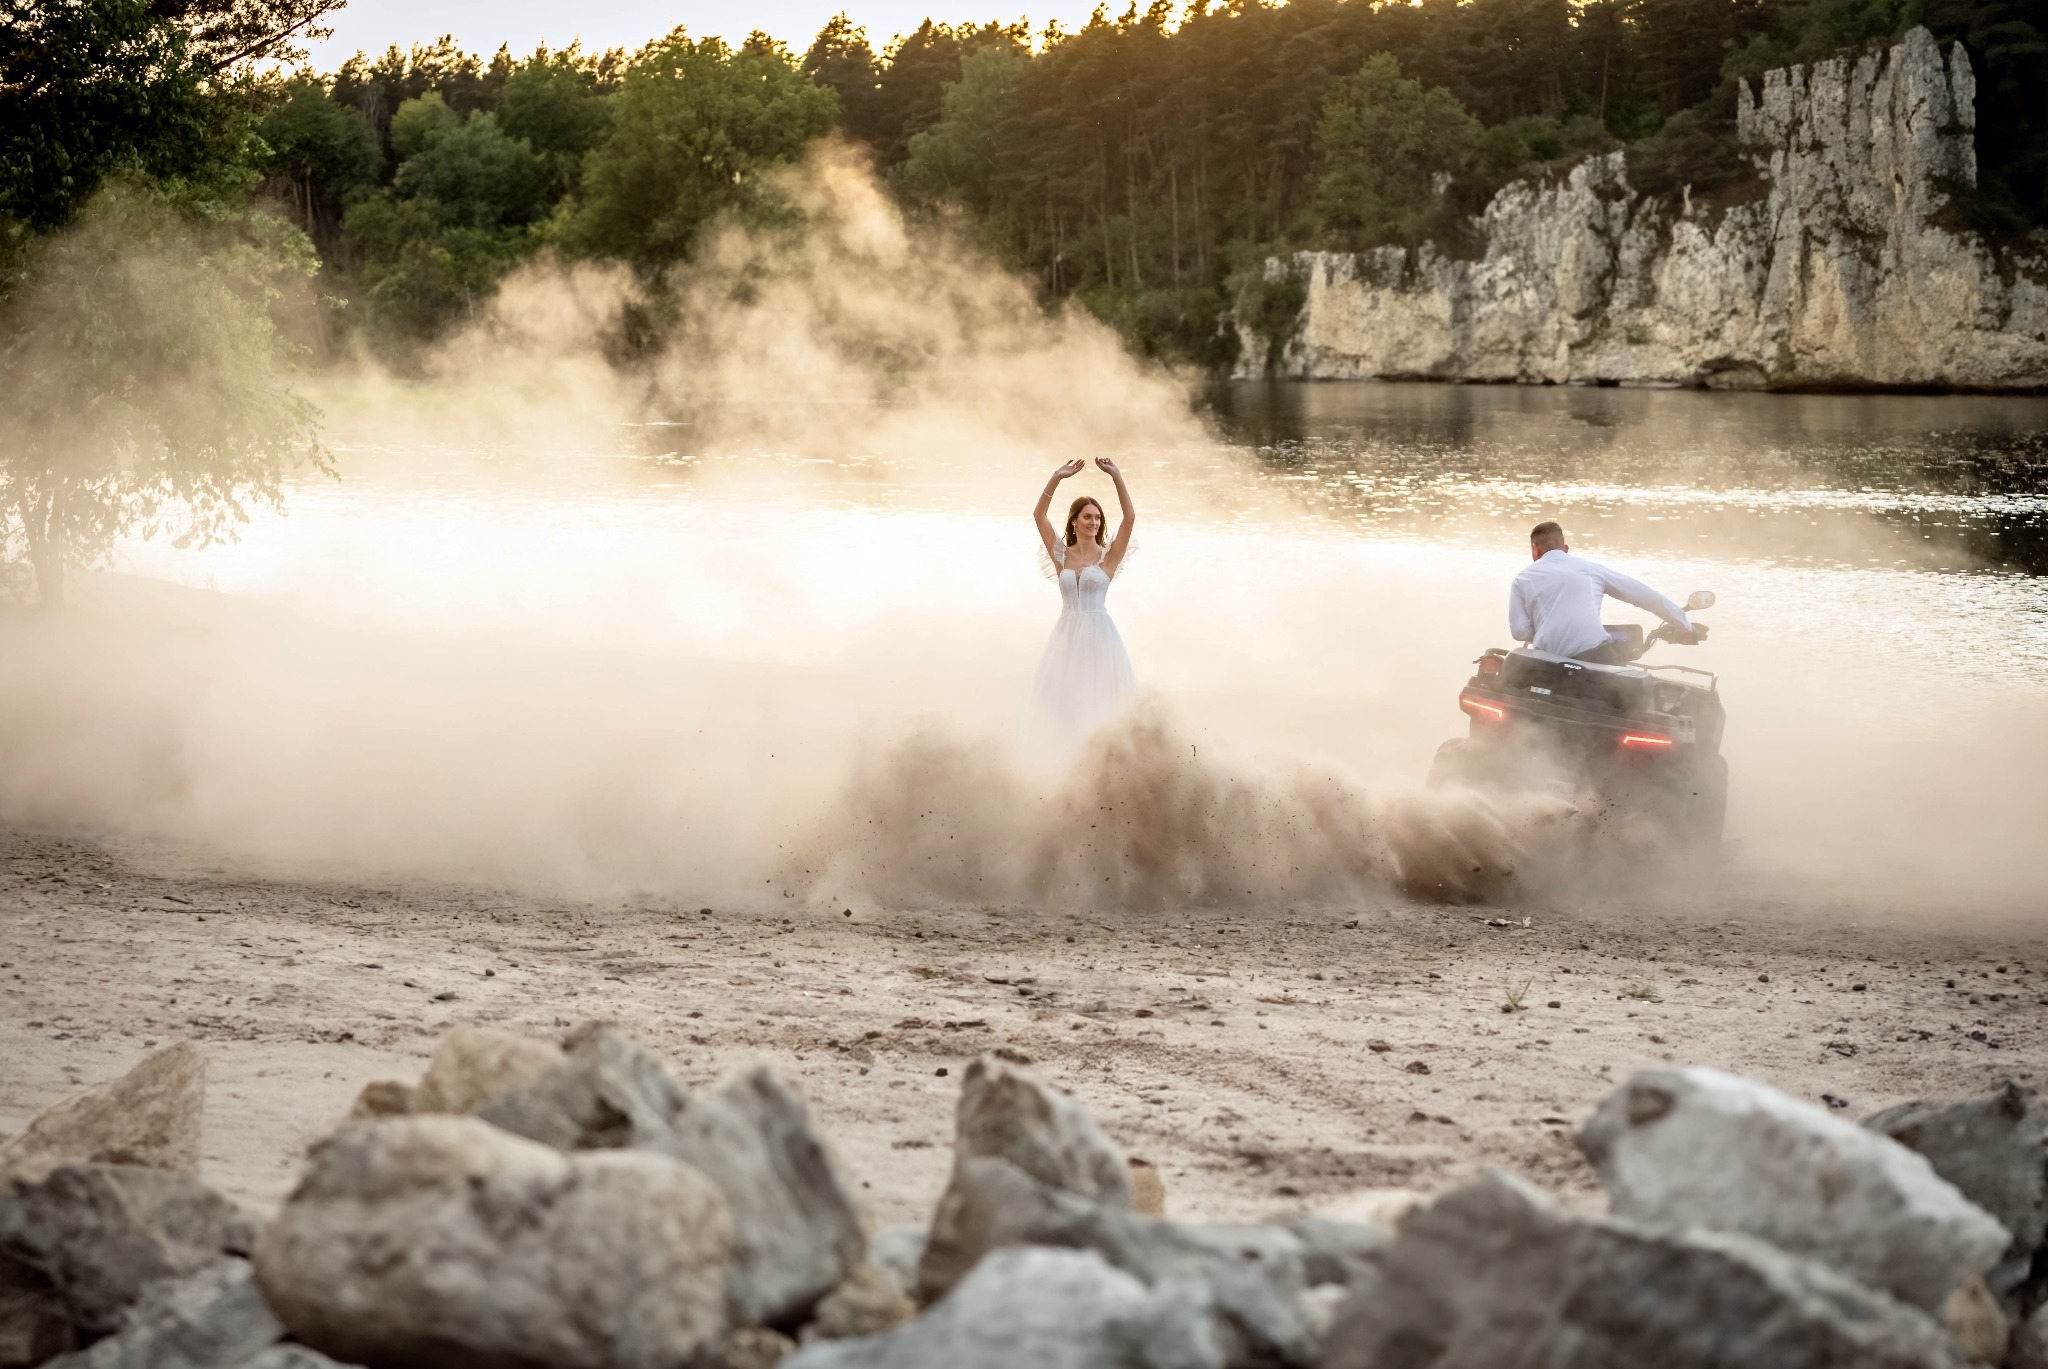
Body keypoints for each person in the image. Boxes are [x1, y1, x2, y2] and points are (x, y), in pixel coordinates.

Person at [1025, 457, 1137, 758]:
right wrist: (1056, 477)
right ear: (1074, 520)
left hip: (1099, 635)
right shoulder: (1062, 555)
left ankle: (1104, 758)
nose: (1094, 522)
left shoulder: (1108, 557)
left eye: (1098, 518)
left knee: (1096, 696)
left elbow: (1129, 518)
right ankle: (1063, 758)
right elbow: (1039, 516)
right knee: (1063, 699)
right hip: (1066, 634)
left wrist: (1116, 475)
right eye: (1087, 517)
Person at [1509, 520, 1695, 665]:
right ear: (1566, 549)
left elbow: (1519, 632)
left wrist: (1548, 629)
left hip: (1546, 661)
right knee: (1629, 696)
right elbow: (1643, 595)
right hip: (1594, 656)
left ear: (1535, 549)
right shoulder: (1591, 569)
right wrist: (1684, 626)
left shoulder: (1521, 579)